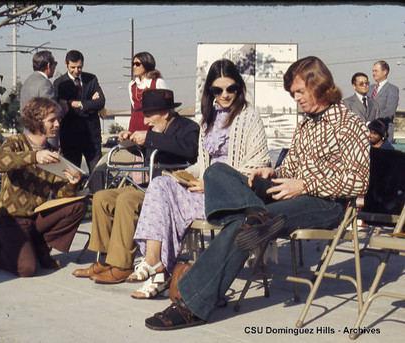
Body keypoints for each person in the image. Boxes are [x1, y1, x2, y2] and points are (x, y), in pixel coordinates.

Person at [144, 56, 370, 330]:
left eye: (299, 92)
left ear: (319, 85)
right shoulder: (305, 125)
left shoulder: (350, 123)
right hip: (288, 194)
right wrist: (272, 173)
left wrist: (305, 185)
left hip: (325, 204)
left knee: (244, 225)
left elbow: (359, 181)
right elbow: (291, 166)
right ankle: (255, 214)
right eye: (293, 93)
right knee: (217, 173)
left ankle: (192, 304)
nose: (296, 98)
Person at [129, 59, 270, 299]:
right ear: (210, 91)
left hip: (230, 197)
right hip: (205, 190)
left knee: (167, 202)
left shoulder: (250, 118)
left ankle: (161, 272)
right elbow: (203, 165)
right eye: (218, 90)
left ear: (239, 88)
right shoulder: (208, 119)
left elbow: (257, 165)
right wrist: (182, 176)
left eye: (231, 88)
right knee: (161, 183)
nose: (225, 95)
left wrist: (213, 183)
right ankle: (155, 261)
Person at [72, 89, 199, 284]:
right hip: (150, 186)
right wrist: (131, 142)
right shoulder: (156, 129)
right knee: (102, 198)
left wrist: (148, 138)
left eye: (149, 115)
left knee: (127, 199)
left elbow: (188, 150)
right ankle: (105, 260)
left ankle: (122, 265)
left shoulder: (189, 128)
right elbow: (149, 150)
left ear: (165, 113)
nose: (146, 120)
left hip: (170, 191)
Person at [0, 97, 87, 277]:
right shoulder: (16, 142)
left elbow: (61, 193)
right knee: (28, 269)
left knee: (78, 205)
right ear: (37, 122)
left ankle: (40, 244)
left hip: (36, 218)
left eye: (58, 120)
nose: (57, 124)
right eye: (52, 120)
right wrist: (34, 157)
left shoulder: (54, 154)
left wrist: (72, 184)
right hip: (11, 219)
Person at [54, 50, 106, 174]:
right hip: (70, 138)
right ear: (66, 64)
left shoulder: (91, 79)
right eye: (73, 67)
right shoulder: (59, 83)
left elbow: (101, 102)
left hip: (92, 139)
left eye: (79, 67)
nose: (76, 70)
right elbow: (60, 108)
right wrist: (90, 104)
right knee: (72, 176)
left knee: (97, 174)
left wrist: (75, 104)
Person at [20, 50, 60, 148]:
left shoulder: (27, 82)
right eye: (54, 64)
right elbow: (50, 112)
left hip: (28, 136)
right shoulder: (45, 84)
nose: (55, 67)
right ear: (48, 65)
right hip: (45, 137)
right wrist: (64, 106)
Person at [128, 51, 168, 133]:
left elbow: (166, 105)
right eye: (133, 64)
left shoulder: (157, 82)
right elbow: (134, 105)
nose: (134, 67)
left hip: (151, 125)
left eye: (137, 64)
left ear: (146, 64)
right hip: (134, 125)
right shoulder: (131, 85)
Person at [367, 60, 399, 142]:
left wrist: (371, 122)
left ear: (385, 72)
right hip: (367, 134)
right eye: (373, 71)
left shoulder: (392, 89)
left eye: (376, 71)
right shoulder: (369, 89)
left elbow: (389, 111)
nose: (373, 73)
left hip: (383, 132)